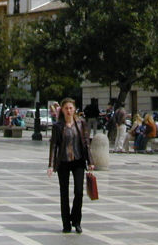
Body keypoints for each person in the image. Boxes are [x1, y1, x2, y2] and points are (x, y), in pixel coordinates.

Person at [48, 97, 93, 234]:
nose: (68, 110)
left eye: (71, 108)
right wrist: (51, 165)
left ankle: (76, 220)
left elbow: (86, 143)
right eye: (66, 108)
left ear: (74, 109)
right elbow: (54, 146)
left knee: (79, 192)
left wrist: (90, 161)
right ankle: (66, 223)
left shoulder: (81, 123)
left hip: (78, 160)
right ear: (62, 110)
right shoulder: (58, 126)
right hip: (63, 161)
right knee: (64, 193)